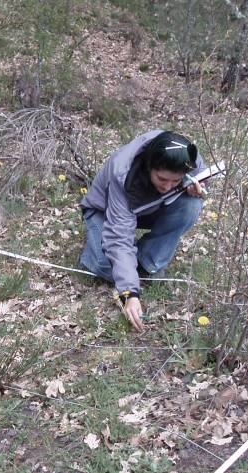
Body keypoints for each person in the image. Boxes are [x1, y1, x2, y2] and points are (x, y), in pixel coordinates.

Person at [79, 130, 205, 332]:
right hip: (103, 210)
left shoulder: (188, 156)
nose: (168, 186)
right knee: (106, 269)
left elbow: (202, 175)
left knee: (191, 205)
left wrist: (193, 186)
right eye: (162, 179)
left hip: (148, 208)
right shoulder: (123, 173)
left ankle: (147, 263)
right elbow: (119, 239)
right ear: (149, 166)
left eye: (175, 181)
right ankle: (100, 259)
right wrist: (129, 293)